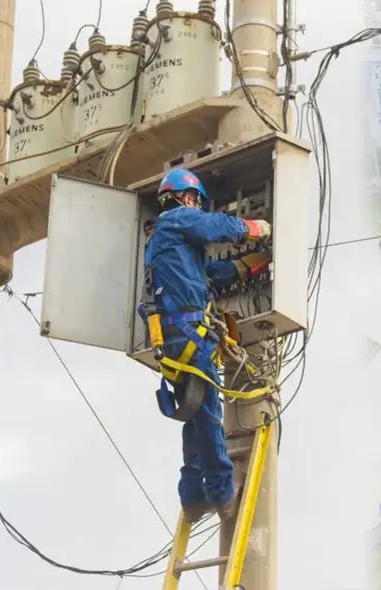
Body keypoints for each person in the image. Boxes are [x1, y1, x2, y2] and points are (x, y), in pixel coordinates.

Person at [141, 167, 271, 524]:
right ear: (186, 198)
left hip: (175, 337)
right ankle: (221, 492)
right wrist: (254, 228)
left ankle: (192, 498)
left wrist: (249, 265)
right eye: (196, 201)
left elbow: (208, 276)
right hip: (189, 336)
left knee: (196, 416)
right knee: (210, 415)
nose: (197, 207)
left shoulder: (165, 241)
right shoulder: (177, 219)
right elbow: (215, 227)